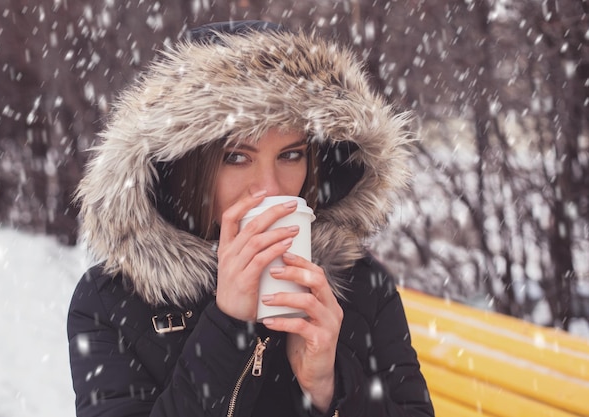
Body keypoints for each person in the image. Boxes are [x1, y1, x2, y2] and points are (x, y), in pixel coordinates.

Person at [67, 20, 435, 417]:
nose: (271, 188)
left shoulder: (361, 285)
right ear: (186, 167)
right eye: (237, 157)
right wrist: (227, 329)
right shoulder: (112, 301)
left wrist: (330, 387)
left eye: (291, 155)